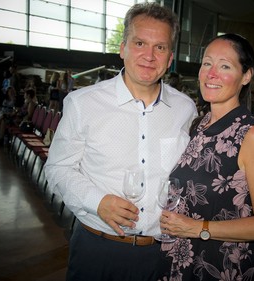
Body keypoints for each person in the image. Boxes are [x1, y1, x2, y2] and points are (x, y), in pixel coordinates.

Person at [44, 3, 197, 281]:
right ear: (123, 47)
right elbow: (57, 169)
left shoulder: (185, 109)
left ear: (170, 56)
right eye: (140, 43)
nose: (149, 55)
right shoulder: (83, 103)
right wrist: (97, 201)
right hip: (96, 247)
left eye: (160, 47)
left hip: (159, 252)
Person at [158, 33, 254, 281]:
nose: (211, 73)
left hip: (221, 265)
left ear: (246, 76)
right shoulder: (199, 124)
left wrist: (197, 229)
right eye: (207, 63)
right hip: (181, 259)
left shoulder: (252, 135)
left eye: (224, 66)